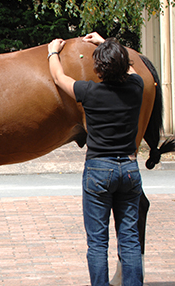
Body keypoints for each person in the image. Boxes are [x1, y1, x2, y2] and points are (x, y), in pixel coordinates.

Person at [48, 33, 144, 286]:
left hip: (99, 170)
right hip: (129, 169)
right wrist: (105, 43)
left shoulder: (88, 91)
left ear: (98, 69)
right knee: (130, 239)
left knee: (98, 242)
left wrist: (52, 52)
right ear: (123, 65)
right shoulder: (136, 88)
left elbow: (59, 77)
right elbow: (133, 71)